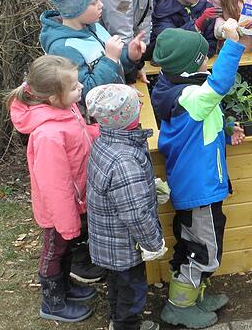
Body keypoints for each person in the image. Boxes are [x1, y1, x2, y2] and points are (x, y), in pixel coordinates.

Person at [150, 23, 246, 328]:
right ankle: (179, 305)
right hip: (198, 188)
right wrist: (232, 45)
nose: (208, 60)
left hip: (204, 184)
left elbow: (201, 121)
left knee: (205, 240)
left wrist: (227, 129)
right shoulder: (189, 95)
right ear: (190, 66)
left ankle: (195, 293)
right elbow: (218, 86)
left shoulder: (179, 87)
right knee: (201, 248)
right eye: (203, 57)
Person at [6, 55, 98, 323]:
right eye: (73, 87)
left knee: (66, 250)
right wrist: (67, 221)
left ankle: (66, 288)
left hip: (73, 201)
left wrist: (98, 131)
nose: (80, 87)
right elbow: (54, 185)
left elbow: (79, 137)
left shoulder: (65, 111)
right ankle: (53, 302)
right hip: (60, 209)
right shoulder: (48, 134)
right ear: (53, 97)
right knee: (54, 251)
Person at [85, 84, 167, 330]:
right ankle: (127, 326)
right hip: (125, 244)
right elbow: (135, 213)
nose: (142, 106)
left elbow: (120, 191)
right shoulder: (125, 161)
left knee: (118, 286)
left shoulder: (108, 142)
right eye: (136, 105)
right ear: (128, 117)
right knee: (133, 291)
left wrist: (150, 188)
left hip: (109, 240)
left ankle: (116, 321)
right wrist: (153, 243)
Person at [41, 0, 145, 106]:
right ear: (76, 7)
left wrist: (130, 56)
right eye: (94, 2)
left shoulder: (95, 27)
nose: (101, 5)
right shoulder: (64, 48)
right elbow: (85, 94)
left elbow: (116, 67)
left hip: (118, 109)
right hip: (99, 123)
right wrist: (110, 59)